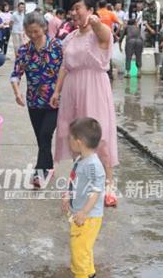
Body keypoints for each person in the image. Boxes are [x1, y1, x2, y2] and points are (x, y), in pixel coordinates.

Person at [50, 0, 118, 207]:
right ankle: (81, 184)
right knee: (76, 138)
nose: (74, 12)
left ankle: (109, 186)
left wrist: (96, 23)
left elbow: (105, 34)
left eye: (78, 8)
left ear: (90, 10)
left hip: (94, 87)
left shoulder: (98, 33)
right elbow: (64, 66)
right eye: (72, 9)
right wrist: (56, 91)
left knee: (100, 136)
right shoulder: (70, 37)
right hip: (72, 88)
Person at [11, 12, 63, 188]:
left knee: (46, 133)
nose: (32, 35)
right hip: (34, 101)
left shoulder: (57, 46)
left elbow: (67, 70)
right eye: (29, 32)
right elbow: (15, 74)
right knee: (42, 139)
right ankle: (48, 165)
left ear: (44, 28)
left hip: (55, 100)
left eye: (36, 31)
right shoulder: (24, 51)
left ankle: (39, 172)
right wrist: (17, 92)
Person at [61, 118, 106, 278]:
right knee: (83, 248)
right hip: (80, 213)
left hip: (88, 217)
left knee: (79, 251)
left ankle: (82, 274)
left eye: (70, 138)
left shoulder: (93, 165)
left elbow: (96, 191)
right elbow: (73, 178)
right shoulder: (82, 159)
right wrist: (68, 196)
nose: (68, 140)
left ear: (79, 142)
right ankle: (89, 273)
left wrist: (84, 212)